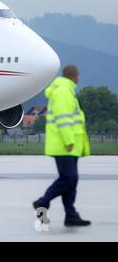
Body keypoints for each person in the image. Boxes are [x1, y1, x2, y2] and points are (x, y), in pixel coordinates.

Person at [33, 65, 91, 227]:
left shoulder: (68, 91)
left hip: (71, 144)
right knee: (68, 178)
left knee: (71, 180)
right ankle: (42, 202)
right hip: (65, 144)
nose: (79, 78)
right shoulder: (63, 92)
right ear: (72, 76)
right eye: (77, 75)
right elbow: (63, 120)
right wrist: (69, 141)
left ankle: (71, 215)